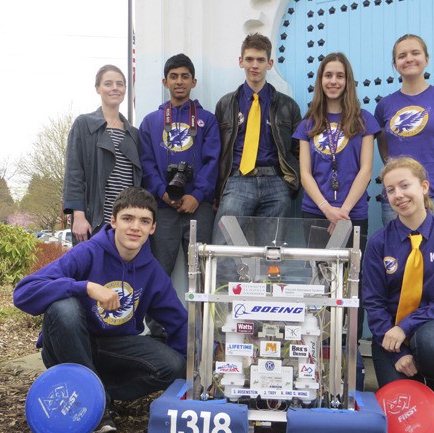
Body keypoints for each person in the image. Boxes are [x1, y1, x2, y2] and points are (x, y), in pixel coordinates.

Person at [13, 187, 188, 433]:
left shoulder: (152, 270)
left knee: (172, 364)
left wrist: (193, 376)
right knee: (65, 308)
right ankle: (97, 411)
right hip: (68, 347)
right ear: (113, 221)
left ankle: (99, 393)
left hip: (112, 350)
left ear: (153, 229)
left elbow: (179, 322)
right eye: (128, 218)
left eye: (144, 221)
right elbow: (24, 292)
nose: (135, 227)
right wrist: (86, 288)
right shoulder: (88, 252)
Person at [361, 157, 434, 421]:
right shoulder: (378, 243)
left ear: (424, 187)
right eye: (390, 190)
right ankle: (417, 379)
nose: (398, 195)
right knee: (401, 414)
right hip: (389, 340)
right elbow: (373, 301)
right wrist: (398, 348)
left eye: (404, 185)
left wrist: (406, 326)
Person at [293, 52, 380, 344]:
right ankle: (320, 348)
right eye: (328, 75)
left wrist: (341, 211)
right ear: (321, 80)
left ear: (348, 80)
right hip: (316, 213)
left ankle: (350, 350)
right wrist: (326, 209)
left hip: (353, 214)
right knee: (319, 282)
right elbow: (305, 173)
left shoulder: (364, 119)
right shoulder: (308, 123)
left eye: (339, 75)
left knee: (353, 282)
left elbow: (366, 169)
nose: (333, 81)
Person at [212, 33, 302, 251]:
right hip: (237, 181)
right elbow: (217, 152)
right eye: (250, 59)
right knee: (224, 248)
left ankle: (268, 285)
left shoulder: (288, 106)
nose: (255, 65)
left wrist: (289, 182)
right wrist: (216, 192)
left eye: (261, 60)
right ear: (240, 61)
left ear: (270, 64)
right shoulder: (226, 104)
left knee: (272, 252)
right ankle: (222, 286)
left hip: (276, 183)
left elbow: (299, 151)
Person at [374, 34, 434, 230]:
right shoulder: (384, 105)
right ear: (395, 64)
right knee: (399, 257)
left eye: (415, 53)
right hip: (399, 200)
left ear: (426, 59)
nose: (409, 59)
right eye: (402, 55)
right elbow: (385, 151)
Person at [139, 53, 220, 275]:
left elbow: (213, 161)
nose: (179, 81)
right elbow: (146, 164)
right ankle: (154, 311)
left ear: (194, 82)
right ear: (165, 82)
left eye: (185, 76)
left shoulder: (208, 120)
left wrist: (198, 195)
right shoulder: (151, 121)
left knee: (204, 274)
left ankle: (204, 312)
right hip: (163, 208)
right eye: (173, 76)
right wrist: (162, 193)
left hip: (199, 207)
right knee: (158, 272)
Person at [63, 64, 142, 246]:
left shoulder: (134, 134)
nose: (115, 88)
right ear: (98, 88)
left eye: (120, 84)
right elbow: (74, 172)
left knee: (122, 274)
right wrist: (79, 216)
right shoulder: (84, 125)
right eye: (108, 83)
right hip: (94, 221)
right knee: (91, 273)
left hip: (127, 222)